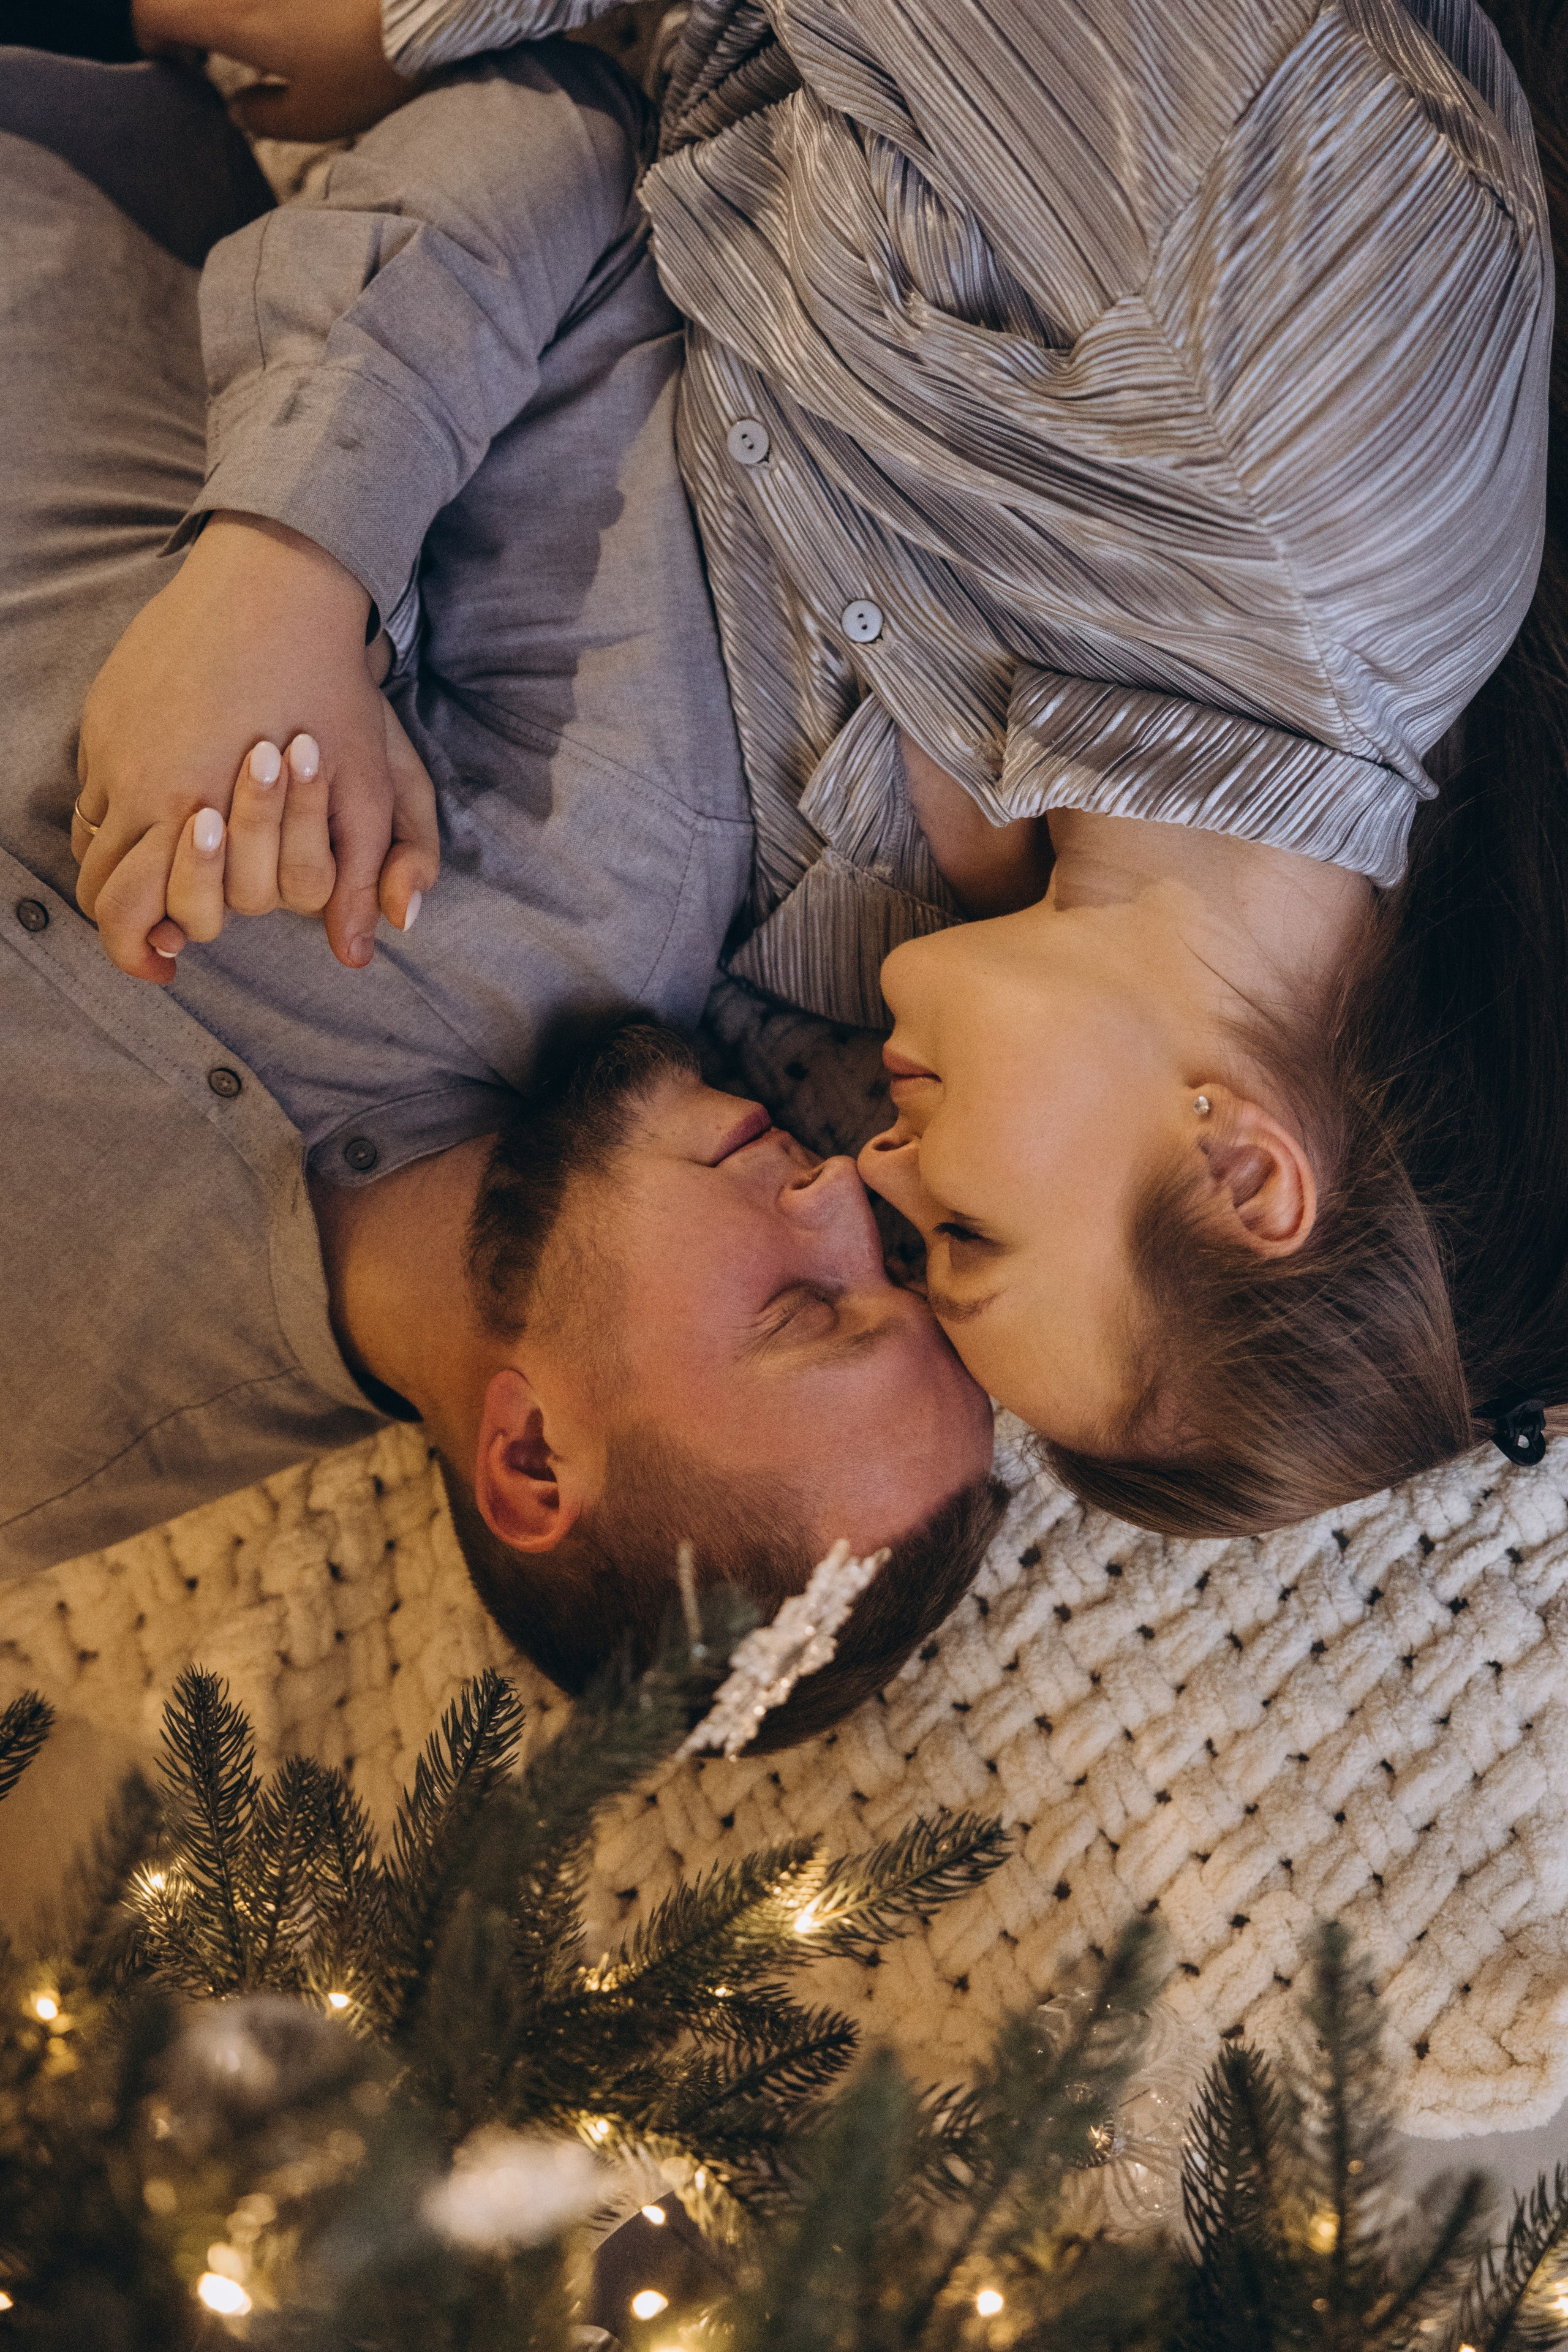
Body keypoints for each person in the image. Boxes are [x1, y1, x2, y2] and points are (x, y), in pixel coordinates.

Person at [58, 0, 1566, 1536]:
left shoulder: (848, 971)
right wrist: (406, 22)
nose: (875, 1178)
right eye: (965, 1237)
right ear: (1244, 1169)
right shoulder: (1319, 484)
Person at [0, 51, 1003, 1734]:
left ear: (531, 1455)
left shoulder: (41, 1440)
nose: (839, 1189)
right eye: (893, 1260)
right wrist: (288, 566)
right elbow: (574, 139)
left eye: (801, 1307)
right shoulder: (607, 869)